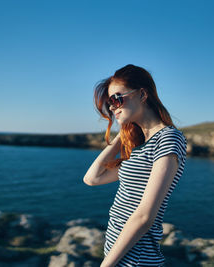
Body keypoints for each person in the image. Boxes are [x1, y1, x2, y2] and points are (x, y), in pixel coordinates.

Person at [83, 64, 187, 267]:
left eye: (116, 99)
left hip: (136, 259)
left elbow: (145, 216)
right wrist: (121, 136)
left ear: (142, 94)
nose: (112, 107)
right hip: (120, 257)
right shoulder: (140, 148)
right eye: (109, 103)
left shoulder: (168, 139)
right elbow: (91, 178)